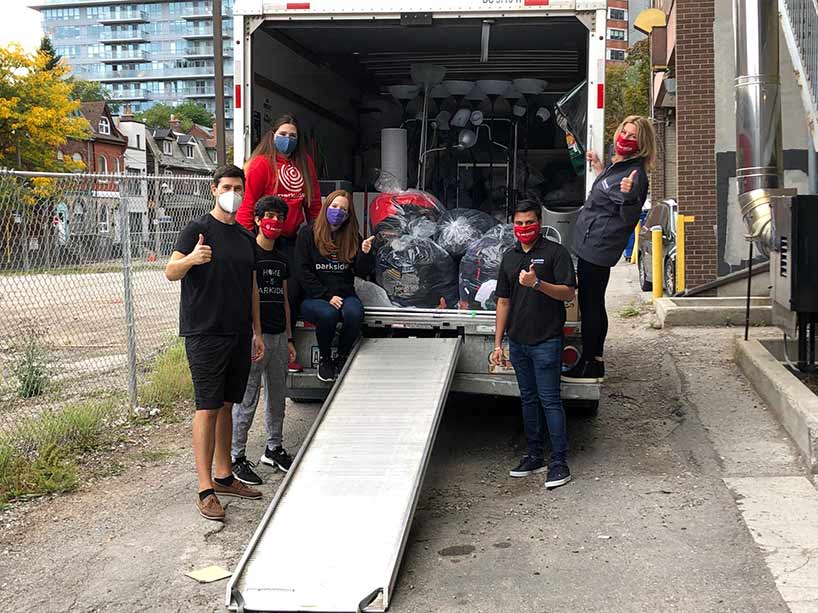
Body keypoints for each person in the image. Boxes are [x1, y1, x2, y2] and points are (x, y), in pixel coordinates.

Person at [165, 165, 266, 522]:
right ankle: (205, 488)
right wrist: (192, 259)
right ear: (213, 190)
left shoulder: (243, 236)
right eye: (227, 186)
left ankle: (224, 475)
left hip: (238, 333)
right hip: (205, 332)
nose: (233, 193)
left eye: (238, 187)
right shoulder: (197, 229)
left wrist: (256, 330)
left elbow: (252, 287)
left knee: (226, 405)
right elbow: (170, 270)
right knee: (207, 407)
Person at [562, 115, 656, 384]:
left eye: (632, 136)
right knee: (592, 303)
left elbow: (627, 210)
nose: (624, 138)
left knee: (592, 306)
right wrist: (599, 165)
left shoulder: (634, 175)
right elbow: (608, 190)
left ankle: (593, 363)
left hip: (599, 248)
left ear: (642, 144)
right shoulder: (620, 166)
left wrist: (627, 196)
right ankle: (592, 359)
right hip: (592, 243)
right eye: (623, 132)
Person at [490, 200, 577, 490]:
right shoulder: (509, 257)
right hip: (518, 342)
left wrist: (537, 283)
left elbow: (567, 294)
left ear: (539, 223)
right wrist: (498, 343)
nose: (524, 228)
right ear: (513, 226)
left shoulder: (556, 253)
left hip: (546, 341)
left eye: (529, 222)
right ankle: (534, 455)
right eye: (519, 223)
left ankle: (559, 462)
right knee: (528, 400)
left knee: (549, 400)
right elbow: (503, 301)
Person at [238, 114, 323, 374]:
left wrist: (321, 236)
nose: (288, 140)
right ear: (272, 135)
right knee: (262, 295)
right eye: (283, 134)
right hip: (264, 241)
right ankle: (255, 345)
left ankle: (289, 348)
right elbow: (247, 204)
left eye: (293, 136)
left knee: (293, 291)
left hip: (292, 241)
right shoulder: (260, 164)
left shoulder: (305, 164)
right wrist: (244, 242)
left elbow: (315, 203)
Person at [231, 195, 298, 486]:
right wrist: (252, 335)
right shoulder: (248, 255)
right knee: (246, 399)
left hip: (279, 337)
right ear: (257, 220)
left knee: (277, 396)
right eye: (269, 216)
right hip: (253, 338)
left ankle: (274, 448)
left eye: (280, 218)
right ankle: (236, 456)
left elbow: (284, 299)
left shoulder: (282, 260)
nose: (274, 223)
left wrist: (290, 337)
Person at [295, 189, 375, 382]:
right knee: (328, 314)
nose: (338, 211)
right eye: (334, 206)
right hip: (315, 297)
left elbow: (361, 272)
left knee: (355, 313)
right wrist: (326, 295)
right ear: (326, 207)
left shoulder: (352, 237)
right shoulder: (308, 233)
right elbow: (302, 271)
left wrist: (364, 253)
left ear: (348, 215)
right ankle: (325, 358)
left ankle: (341, 356)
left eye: (343, 209)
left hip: (345, 295)